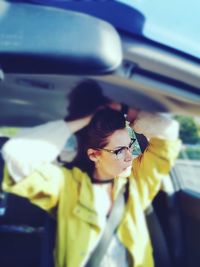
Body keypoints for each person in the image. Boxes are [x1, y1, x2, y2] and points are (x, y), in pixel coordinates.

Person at [1, 102, 181, 267]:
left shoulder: (136, 185)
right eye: (119, 151)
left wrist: (124, 110)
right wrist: (87, 117)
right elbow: (15, 153)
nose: (129, 157)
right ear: (94, 155)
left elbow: (169, 130)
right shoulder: (67, 185)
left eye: (131, 147)